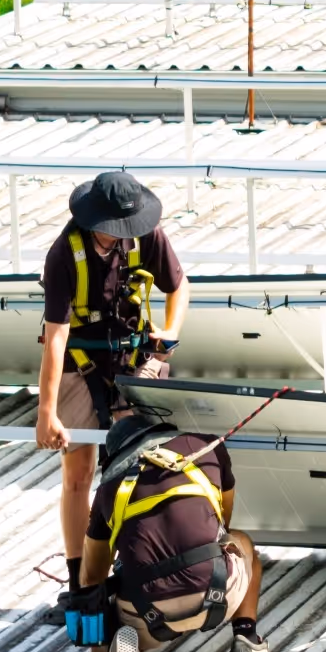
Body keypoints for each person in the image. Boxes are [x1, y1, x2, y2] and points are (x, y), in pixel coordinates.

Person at [35, 171, 190, 576]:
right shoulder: (64, 256)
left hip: (134, 356)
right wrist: (46, 413)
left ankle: (143, 562)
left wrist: (170, 332)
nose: (120, 236)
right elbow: (55, 340)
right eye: (112, 231)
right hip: (80, 359)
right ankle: (80, 579)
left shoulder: (147, 235)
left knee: (143, 466)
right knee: (79, 472)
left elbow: (179, 286)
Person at [61, 414, 274, 652]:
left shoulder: (108, 491)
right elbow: (222, 522)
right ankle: (246, 638)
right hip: (218, 593)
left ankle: (125, 645)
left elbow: (92, 576)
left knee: (102, 641)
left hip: (151, 614)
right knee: (242, 542)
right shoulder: (207, 447)